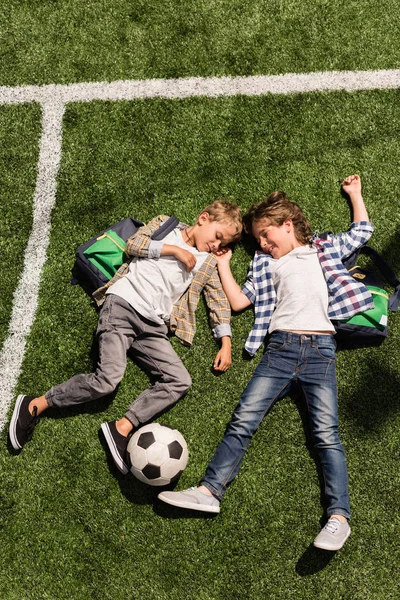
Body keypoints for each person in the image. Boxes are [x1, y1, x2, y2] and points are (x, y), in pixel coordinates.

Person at [158, 174, 374, 552]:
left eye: (266, 235)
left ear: (287, 225)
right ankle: (210, 491)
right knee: (243, 420)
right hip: (279, 350)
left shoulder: (322, 247)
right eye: (258, 240)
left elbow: (362, 232)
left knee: (326, 435)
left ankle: (338, 517)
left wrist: (355, 194)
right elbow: (240, 302)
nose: (262, 243)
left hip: (322, 350)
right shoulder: (262, 264)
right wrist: (224, 265)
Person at [9, 202, 242, 475]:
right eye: (216, 236)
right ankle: (37, 404)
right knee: (107, 380)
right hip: (122, 305)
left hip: (154, 327)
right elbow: (133, 245)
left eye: (222, 243)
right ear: (203, 218)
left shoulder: (207, 262)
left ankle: (121, 428)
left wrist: (225, 342)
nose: (216, 245)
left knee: (180, 380)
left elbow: (217, 300)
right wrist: (175, 250)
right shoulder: (167, 226)